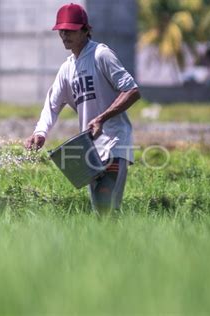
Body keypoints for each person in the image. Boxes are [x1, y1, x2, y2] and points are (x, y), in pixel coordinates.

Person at [24, 3, 141, 213]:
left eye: (70, 30)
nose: (64, 35)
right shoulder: (67, 69)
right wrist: (40, 133)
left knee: (107, 207)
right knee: (100, 211)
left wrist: (101, 119)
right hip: (90, 151)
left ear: (85, 30)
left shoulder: (100, 55)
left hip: (114, 143)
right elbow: (52, 105)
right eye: (62, 30)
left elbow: (132, 90)